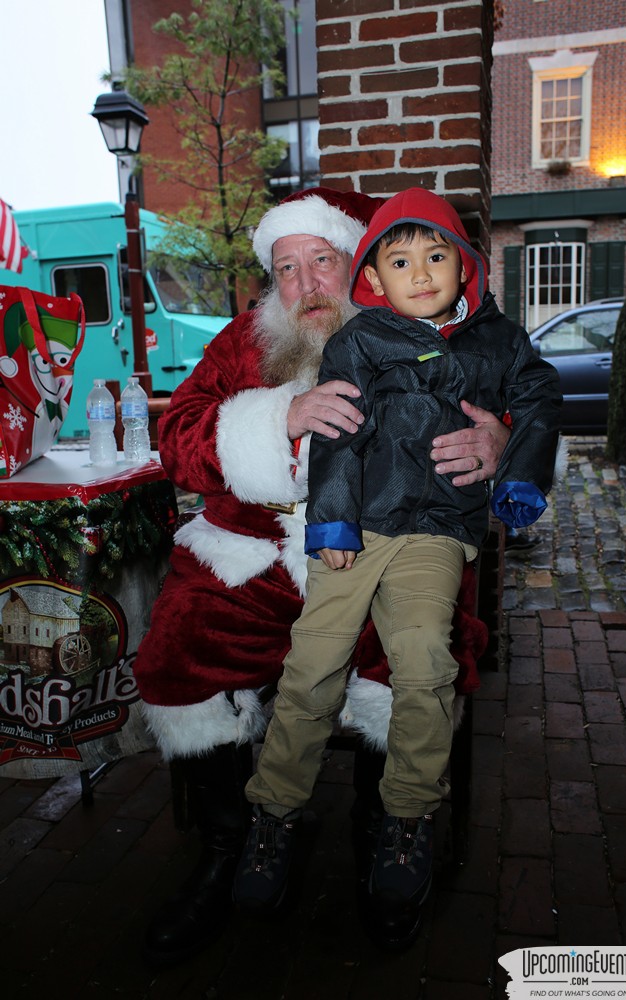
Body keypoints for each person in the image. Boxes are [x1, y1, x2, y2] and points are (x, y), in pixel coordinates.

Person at [132, 187, 511, 965]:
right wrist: (274, 420)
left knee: (410, 657)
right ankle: (231, 844)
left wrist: (500, 446)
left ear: (359, 263)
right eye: (285, 269)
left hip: (394, 551)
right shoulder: (245, 341)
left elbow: (519, 406)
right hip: (255, 556)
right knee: (178, 643)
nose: (304, 285)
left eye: (321, 261)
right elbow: (175, 434)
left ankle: (384, 838)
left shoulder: (435, 327)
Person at [234, 188, 562, 923]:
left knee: (423, 658)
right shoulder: (362, 341)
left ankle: (407, 817)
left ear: (465, 267)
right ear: (374, 280)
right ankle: (274, 813)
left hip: (437, 531)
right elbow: (339, 434)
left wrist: (517, 471)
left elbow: (539, 400)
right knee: (312, 662)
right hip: (358, 529)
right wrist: (332, 525)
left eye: (436, 256)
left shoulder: (498, 341)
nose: (421, 273)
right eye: (401, 260)